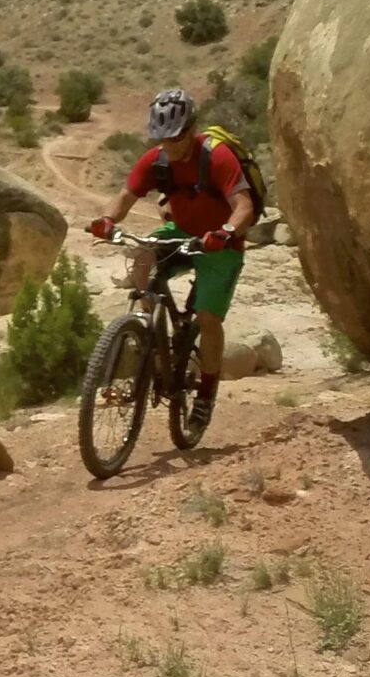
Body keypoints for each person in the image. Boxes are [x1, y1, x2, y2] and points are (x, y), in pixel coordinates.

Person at [86, 87, 254, 433]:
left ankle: (205, 395)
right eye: (162, 138)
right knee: (142, 257)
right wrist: (107, 221)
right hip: (180, 232)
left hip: (218, 244)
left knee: (208, 321)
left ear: (191, 129)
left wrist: (224, 232)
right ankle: (150, 331)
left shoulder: (217, 157)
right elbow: (124, 196)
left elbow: (245, 207)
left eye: (175, 138)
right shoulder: (156, 159)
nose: (169, 146)